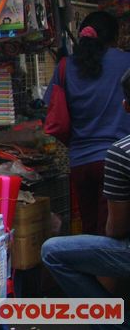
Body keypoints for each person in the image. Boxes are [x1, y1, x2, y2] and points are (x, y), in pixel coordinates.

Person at [41, 68, 130, 306]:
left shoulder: (122, 152)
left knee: (52, 251)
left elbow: (117, 229)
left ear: (126, 106)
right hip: (93, 162)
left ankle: (111, 318)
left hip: (84, 159)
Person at [44, 11, 130, 235]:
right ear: (114, 37)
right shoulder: (126, 62)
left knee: (90, 228)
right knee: (113, 233)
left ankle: (92, 270)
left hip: (80, 162)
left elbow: (50, 107)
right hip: (119, 162)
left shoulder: (65, 66)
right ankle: (104, 271)